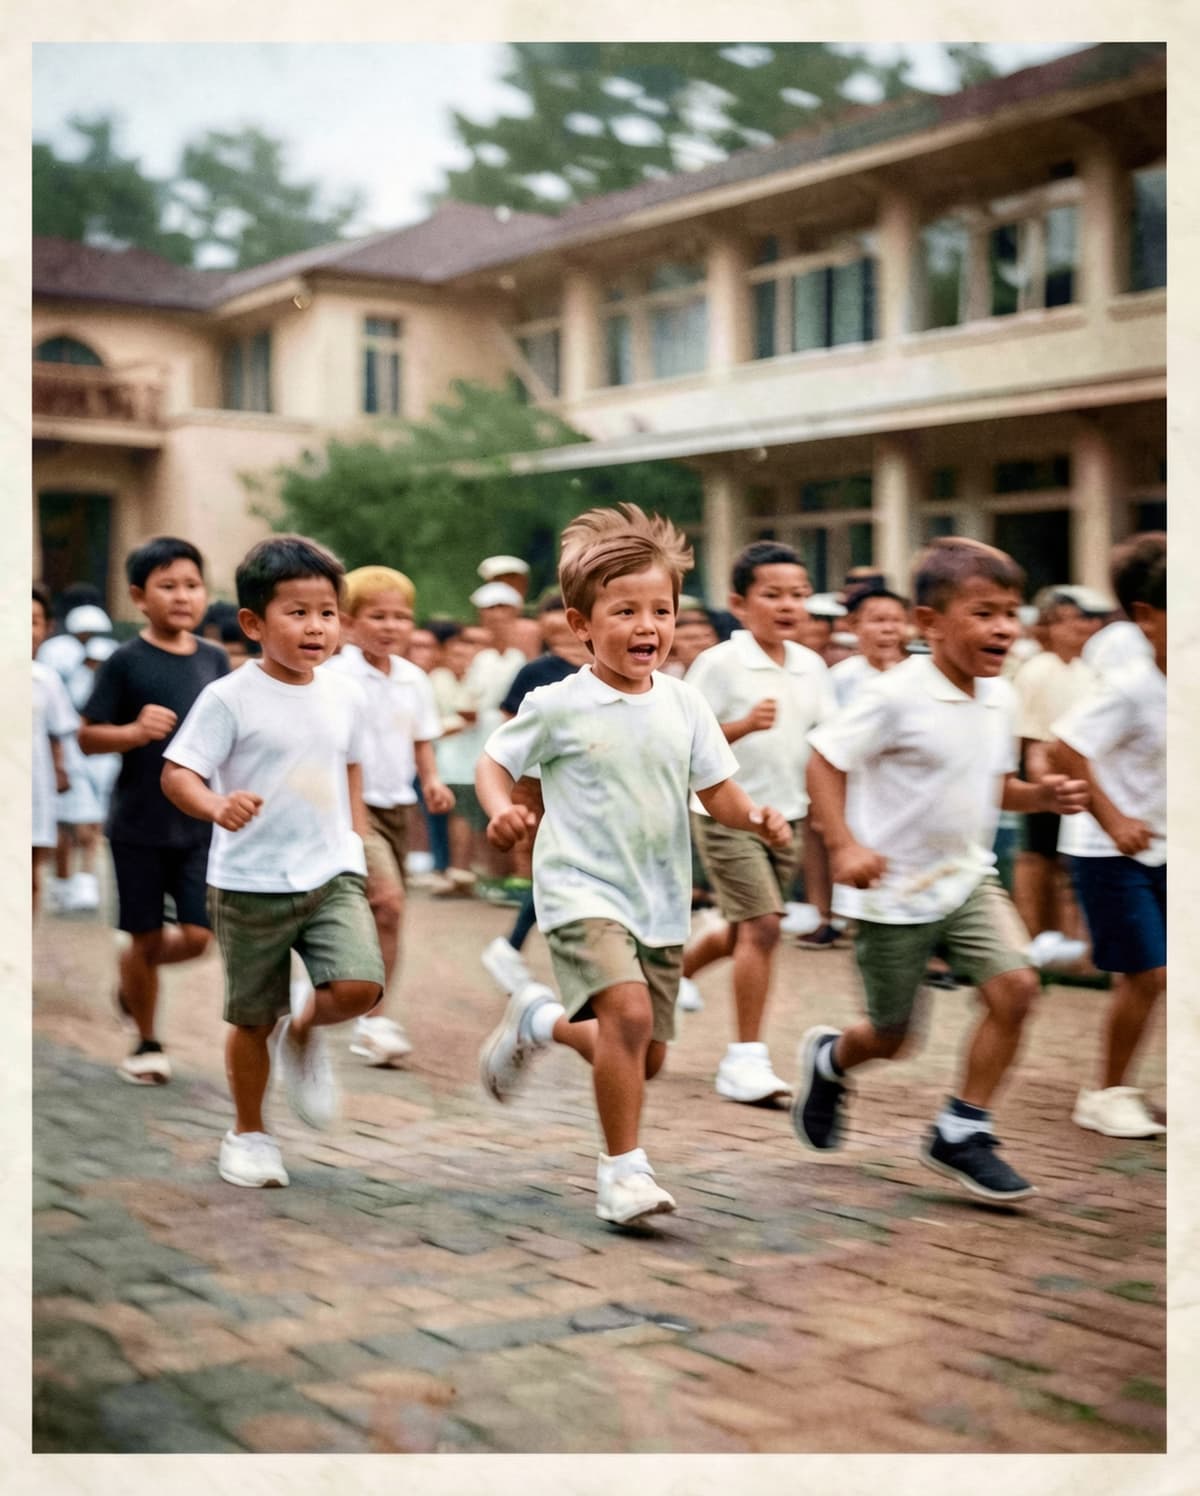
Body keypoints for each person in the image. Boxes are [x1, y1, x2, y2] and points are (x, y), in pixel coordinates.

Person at [474, 503, 790, 1227]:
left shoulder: (685, 705)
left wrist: (758, 818)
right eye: (624, 611)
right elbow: (497, 761)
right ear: (582, 626)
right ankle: (623, 1174)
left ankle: (540, 1022)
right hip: (579, 888)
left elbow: (719, 791)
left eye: (661, 610)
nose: (647, 626)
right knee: (629, 1013)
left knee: (640, 1054)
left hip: (658, 897)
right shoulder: (557, 703)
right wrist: (500, 809)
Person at [792, 536, 1088, 1203]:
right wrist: (843, 847)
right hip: (893, 891)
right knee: (894, 1038)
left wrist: (1040, 797)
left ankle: (962, 1129)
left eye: (1011, 611)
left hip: (966, 878)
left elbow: (995, 786)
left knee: (1017, 989)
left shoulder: (1000, 696)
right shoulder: (896, 696)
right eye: (984, 612)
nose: (1004, 627)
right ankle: (830, 1058)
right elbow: (822, 760)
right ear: (931, 623)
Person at [160, 534, 385, 1189]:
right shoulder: (230, 698)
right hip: (249, 882)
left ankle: (306, 1032)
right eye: (298, 612)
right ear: (255, 623)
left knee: (359, 987)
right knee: (253, 1018)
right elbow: (178, 773)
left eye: (327, 612)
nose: (317, 626)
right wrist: (215, 805)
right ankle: (250, 1133)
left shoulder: (345, 693)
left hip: (331, 871)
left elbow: (349, 768)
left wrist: (359, 844)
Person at [676, 541, 835, 1104]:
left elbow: (826, 745)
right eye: (773, 594)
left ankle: (670, 978)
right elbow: (682, 743)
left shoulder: (813, 665)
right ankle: (745, 1060)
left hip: (785, 817)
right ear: (740, 603)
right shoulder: (719, 663)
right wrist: (742, 724)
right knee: (765, 925)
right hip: (725, 813)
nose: (788, 605)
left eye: (798, 594)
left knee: (747, 927)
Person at [78, 538, 228, 1085]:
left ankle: (133, 973)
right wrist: (134, 732)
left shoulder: (214, 659)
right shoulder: (123, 662)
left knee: (198, 936)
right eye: (168, 586)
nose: (182, 596)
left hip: (199, 824)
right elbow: (87, 736)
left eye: (191, 585)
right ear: (140, 597)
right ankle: (145, 1040)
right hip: (138, 823)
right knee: (142, 935)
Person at [1051, 534, 1166, 1139]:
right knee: (1148, 975)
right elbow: (1064, 748)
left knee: (1155, 976)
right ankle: (1104, 1093)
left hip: (1172, 849)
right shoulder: (1131, 684)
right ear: (1147, 619)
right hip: (1108, 853)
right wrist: (1115, 819)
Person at [324, 565, 454, 1065]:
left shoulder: (414, 679)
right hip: (346, 807)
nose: (391, 626)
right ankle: (363, 1015)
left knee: (388, 918)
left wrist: (433, 781)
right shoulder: (336, 677)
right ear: (350, 622)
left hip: (396, 805)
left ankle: (372, 1015)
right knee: (389, 902)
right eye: (377, 615)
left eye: (401, 616)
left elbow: (422, 740)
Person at [480, 594, 590, 995]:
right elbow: (509, 728)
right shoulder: (537, 671)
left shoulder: (607, 666)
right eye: (550, 614)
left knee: (566, 866)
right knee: (554, 863)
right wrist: (507, 794)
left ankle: (513, 947)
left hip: (585, 778)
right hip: (536, 781)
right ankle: (513, 947)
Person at [1011, 587, 1100, 967]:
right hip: (1043, 772)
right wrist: (1040, 780)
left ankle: (1069, 948)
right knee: (1037, 858)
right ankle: (1031, 938)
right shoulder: (1035, 670)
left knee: (1069, 864)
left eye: (1083, 619)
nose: (1079, 627)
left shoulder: (1088, 673)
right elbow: (1029, 735)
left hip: (1081, 773)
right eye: (1068, 620)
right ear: (1049, 627)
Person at [32, 585, 77, 920]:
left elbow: (57, 734)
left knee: (29, 876)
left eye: (33, 621)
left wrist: (61, 771)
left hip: (34, 787)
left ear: (46, 628)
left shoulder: (46, 680)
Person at [829, 587, 909, 708]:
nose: (888, 629)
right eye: (878, 620)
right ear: (854, 625)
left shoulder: (922, 672)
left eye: (897, 620)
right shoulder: (839, 678)